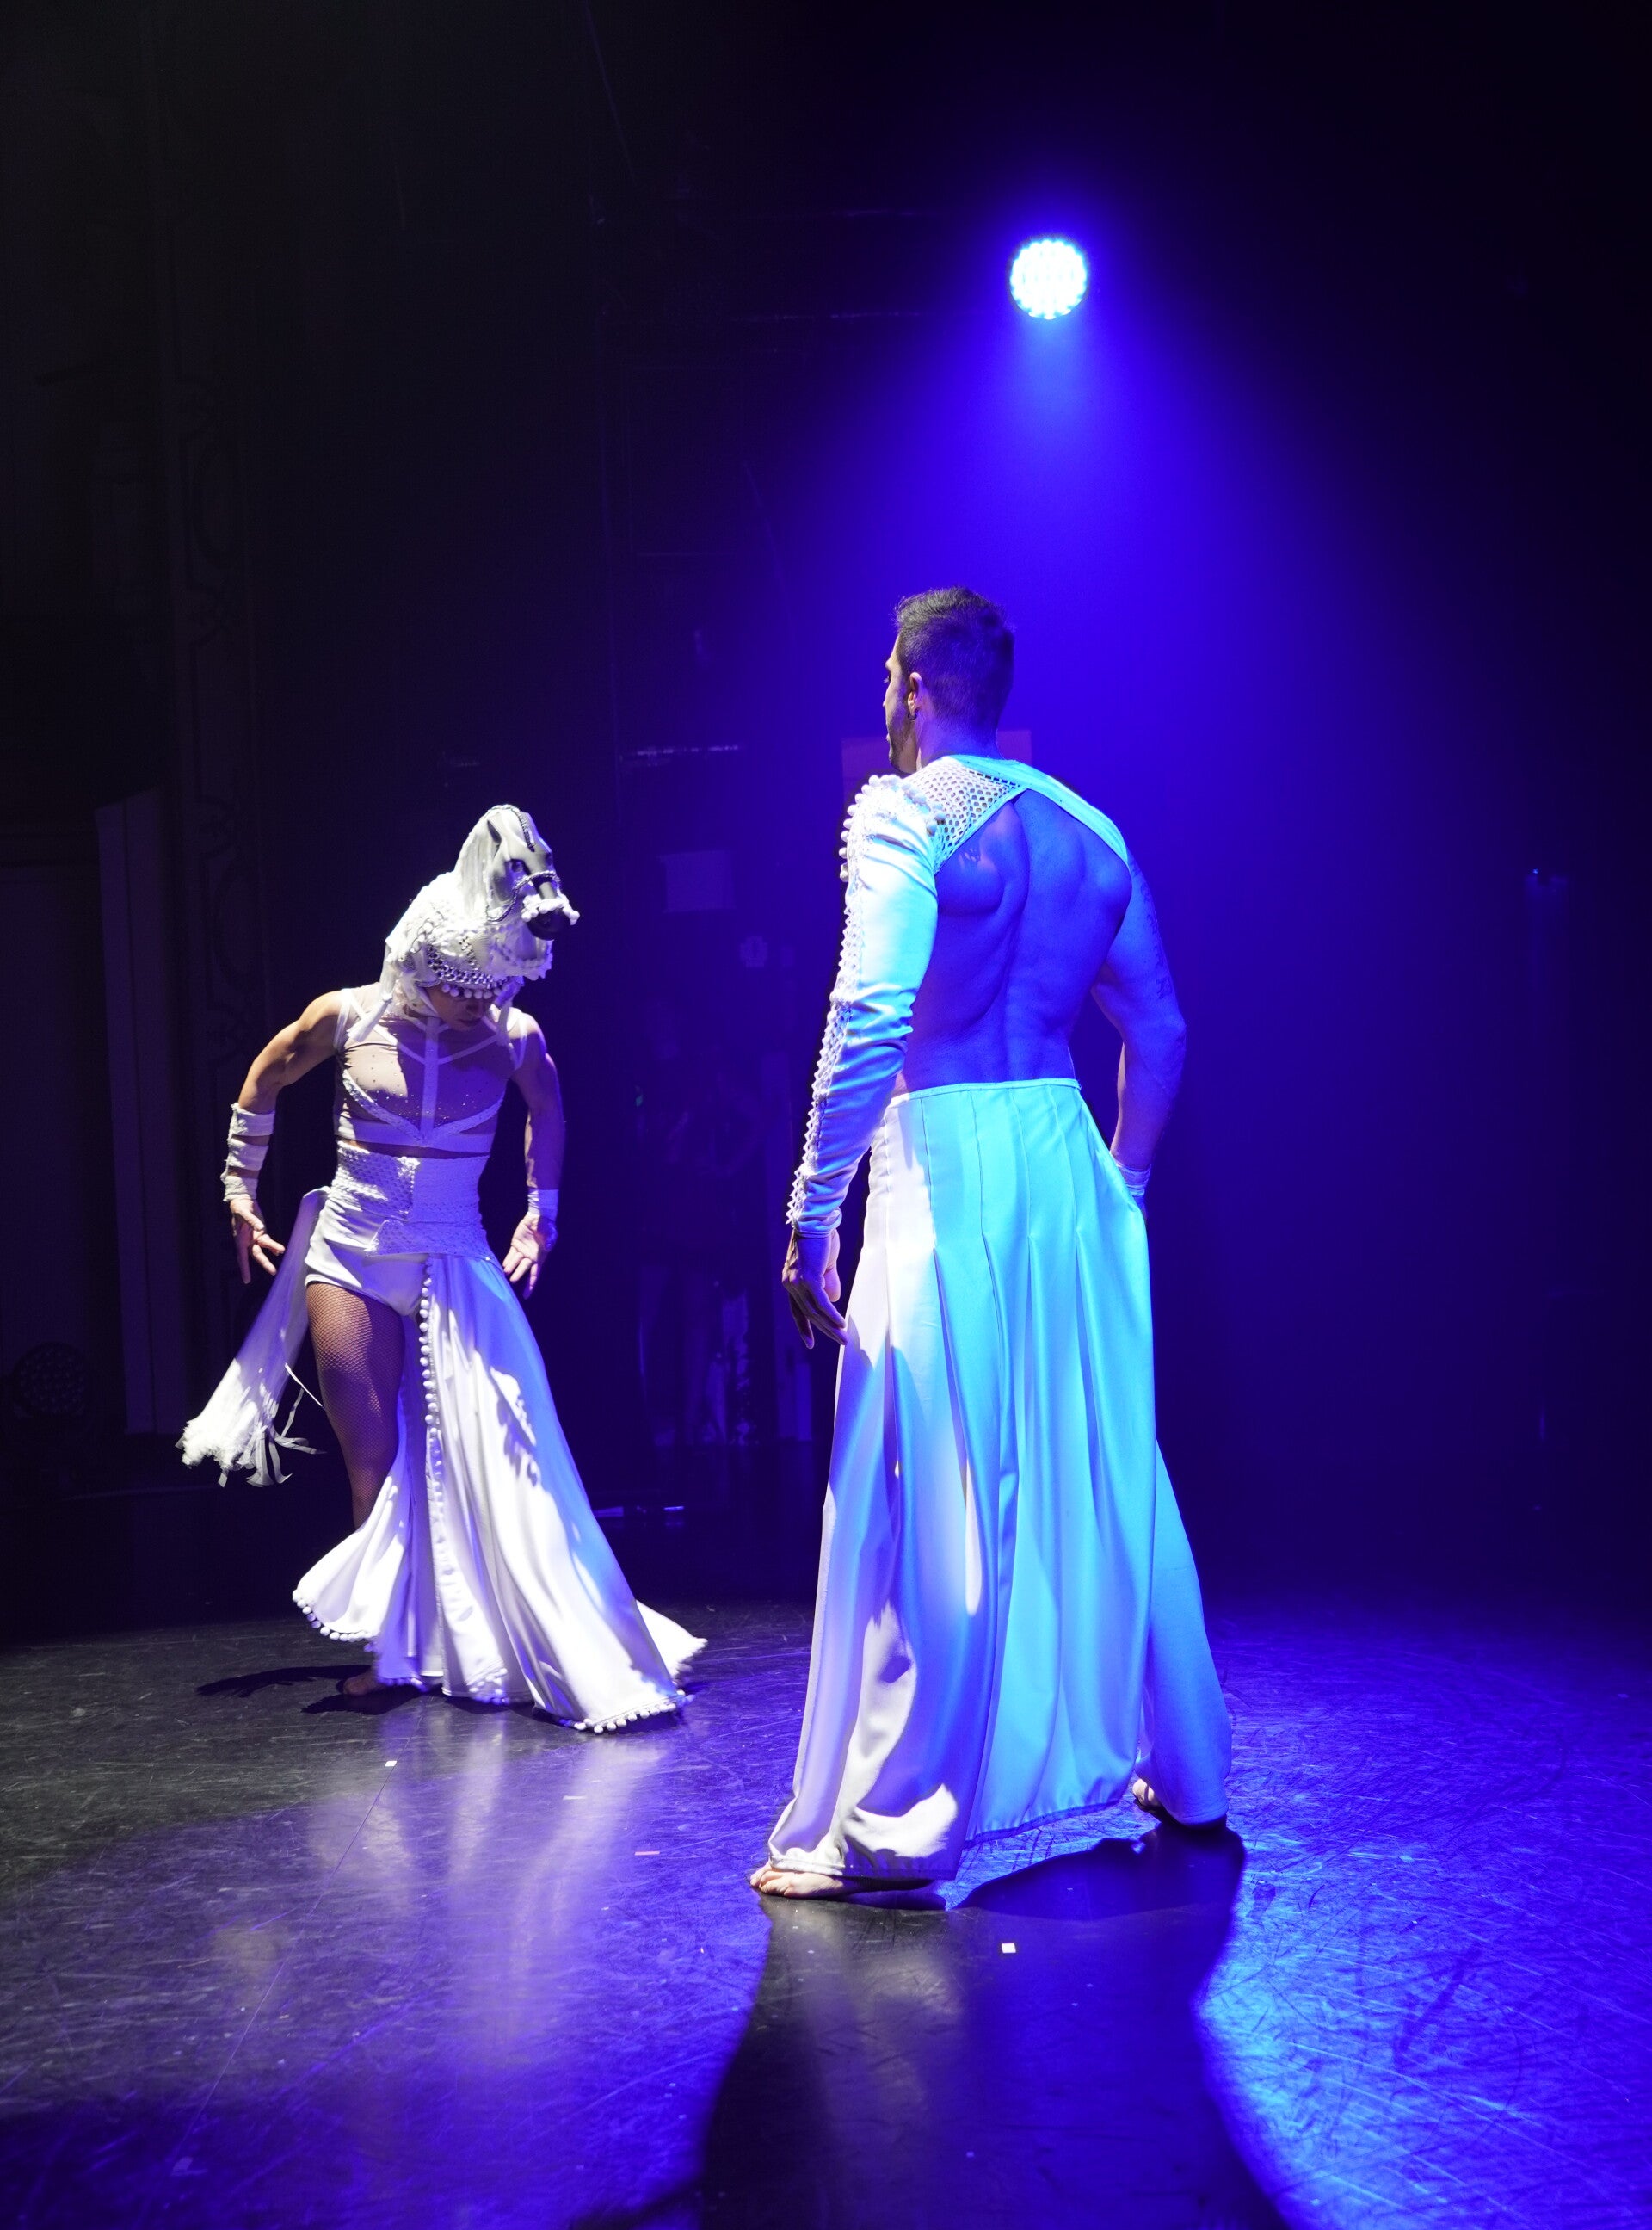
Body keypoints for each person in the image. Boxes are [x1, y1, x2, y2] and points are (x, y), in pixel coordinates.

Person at [752, 590, 1230, 1896]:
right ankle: (1189, 1769)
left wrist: (811, 1209)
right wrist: (1123, 1185)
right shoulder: (1092, 834)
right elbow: (1162, 1030)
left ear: (911, 684)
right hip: (1064, 1157)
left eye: (888, 678)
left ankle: (907, 1822)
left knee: (933, 1472)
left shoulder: (904, 814)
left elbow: (869, 1010)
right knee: (1100, 1451)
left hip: (948, 1153)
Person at [181, 805, 701, 1728]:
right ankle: (394, 1651)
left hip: (456, 1256)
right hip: (351, 1254)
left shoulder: (514, 1036)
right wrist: (238, 1186)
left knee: (502, 1451)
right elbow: (266, 1076)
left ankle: (504, 1626)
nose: (476, 1003)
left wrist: (541, 1214)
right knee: (373, 1457)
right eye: (462, 987)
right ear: (422, 964)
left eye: (489, 986)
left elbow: (551, 1114)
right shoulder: (348, 1016)